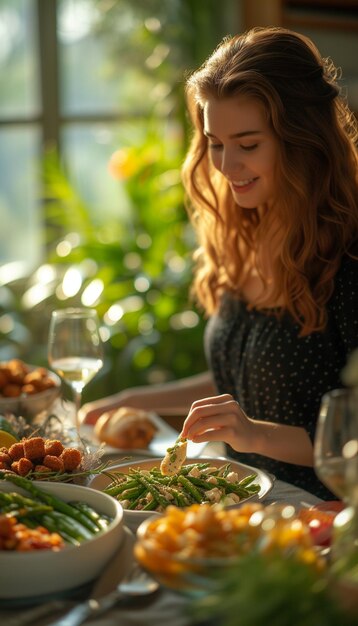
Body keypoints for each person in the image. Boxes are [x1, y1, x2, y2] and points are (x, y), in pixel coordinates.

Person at [81, 26, 358, 499]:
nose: (227, 167)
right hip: (236, 495)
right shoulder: (245, 228)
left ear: (303, 142)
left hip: (320, 511)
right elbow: (244, 375)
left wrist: (250, 434)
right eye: (215, 143)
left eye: (248, 145)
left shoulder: (348, 257)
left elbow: (349, 440)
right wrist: (132, 401)